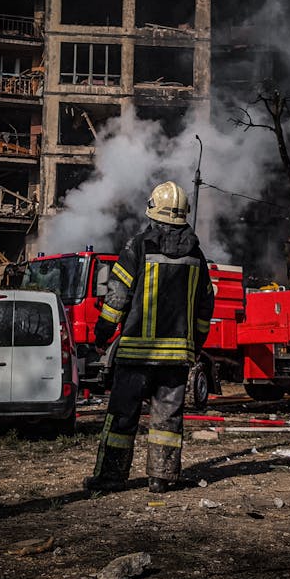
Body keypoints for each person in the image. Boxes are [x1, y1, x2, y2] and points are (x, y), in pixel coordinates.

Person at [84, 181, 215, 494]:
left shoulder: (138, 246)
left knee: (122, 416)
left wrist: (103, 334)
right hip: (176, 357)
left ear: (153, 212)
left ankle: (112, 478)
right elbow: (205, 306)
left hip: (135, 355)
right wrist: (196, 345)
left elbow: (117, 296)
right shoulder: (197, 255)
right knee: (167, 418)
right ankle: (162, 477)